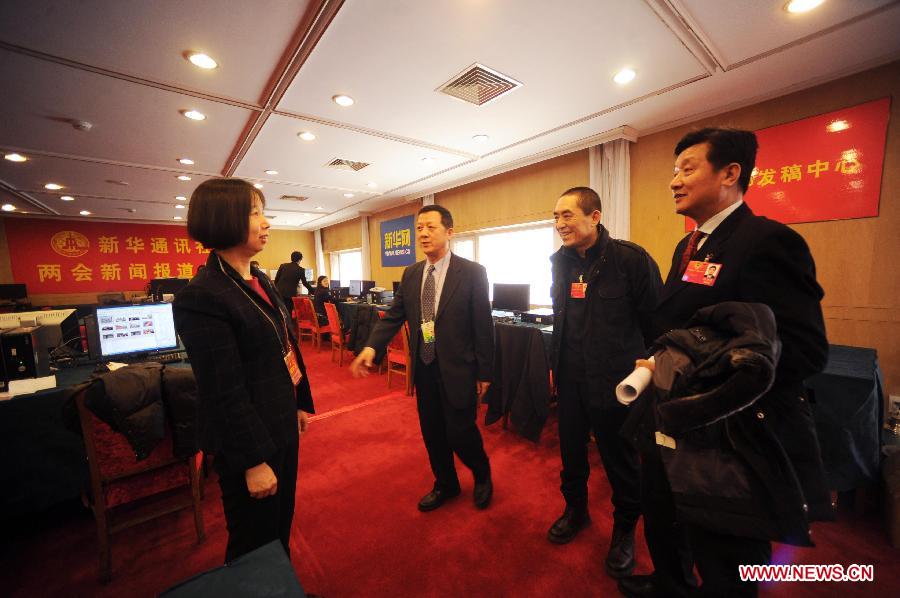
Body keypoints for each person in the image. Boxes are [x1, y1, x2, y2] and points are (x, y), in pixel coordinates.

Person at [618, 128, 829, 597]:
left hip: (725, 436)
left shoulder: (767, 241)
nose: (674, 180)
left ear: (731, 173)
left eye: (688, 168)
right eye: (674, 170)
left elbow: (804, 349)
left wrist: (705, 371)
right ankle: (670, 582)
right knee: (664, 514)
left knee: (725, 558)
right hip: (672, 416)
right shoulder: (688, 246)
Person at [173, 178, 315, 564]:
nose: (267, 222)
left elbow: (287, 345)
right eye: (256, 212)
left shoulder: (260, 278)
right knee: (254, 543)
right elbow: (223, 391)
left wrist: (300, 401)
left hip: (280, 421)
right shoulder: (203, 295)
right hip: (249, 443)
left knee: (280, 522)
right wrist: (252, 461)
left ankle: (281, 590)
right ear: (225, 219)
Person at [349, 205, 495, 512]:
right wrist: (371, 347)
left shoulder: (472, 272)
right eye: (419, 228)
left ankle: (482, 474)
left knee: (461, 432)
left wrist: (485, 373)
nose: (423, 234)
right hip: (425, 368)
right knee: (432, 433)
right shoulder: (412, 273)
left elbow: (483, 325)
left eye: (431, 227)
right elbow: (393, 315)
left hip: (458, 370)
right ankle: (446, 483)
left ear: (449, 232)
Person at [548, 187, 662, 578]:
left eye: (567, 215)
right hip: (570, 380)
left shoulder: (630, 260)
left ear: (594, 217)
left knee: (621, 462)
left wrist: (645, 378)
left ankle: (625, 529)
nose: (560, 224)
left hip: (615, 386)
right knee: (571, 457)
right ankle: (575, 510)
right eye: (556, 217)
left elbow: (657, 328)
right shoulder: (559, 263)